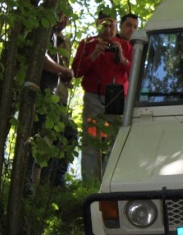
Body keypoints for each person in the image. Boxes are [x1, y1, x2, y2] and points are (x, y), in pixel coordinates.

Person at [71, 10, 133, 181]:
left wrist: (121, 58)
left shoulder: (125, 46)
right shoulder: (87, 44)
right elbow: (75, 72)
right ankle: (91, 182)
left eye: (111, 25)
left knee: (116, 140)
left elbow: (136, 72)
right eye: (104, 25)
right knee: (92, 140)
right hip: (93, 99)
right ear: (98, 25)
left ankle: (113, 181)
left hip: (117, 98)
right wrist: (93, 55)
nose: (108, 30)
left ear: (116, 26)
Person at [26, 12, 75, 196]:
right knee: (36, 139)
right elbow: (41, 57)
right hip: (39, 93)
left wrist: (63, 74)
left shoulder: (56, 36)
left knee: (66, 134)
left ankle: (51, 183)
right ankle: (29, 187)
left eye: (66, 16)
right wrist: (62, 70)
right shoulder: (42, 29)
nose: (63, 20)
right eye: (60, 15)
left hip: (52, 95)